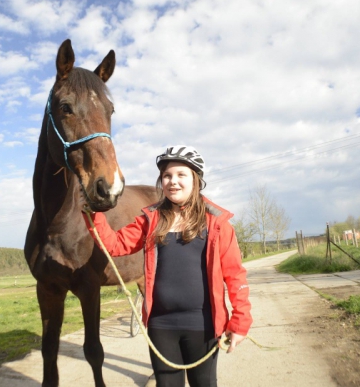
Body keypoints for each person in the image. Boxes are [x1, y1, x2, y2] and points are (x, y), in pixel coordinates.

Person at [82, 145, 252, 387]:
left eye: (181, 175)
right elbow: (115, 245)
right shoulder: (150, 219)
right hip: (161, 325)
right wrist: (96, 214)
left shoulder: (217, 223)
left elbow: (235, 276)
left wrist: (240, 322)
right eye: (167, 176)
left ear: (196, 180)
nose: (173, 181)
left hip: (202, 325)